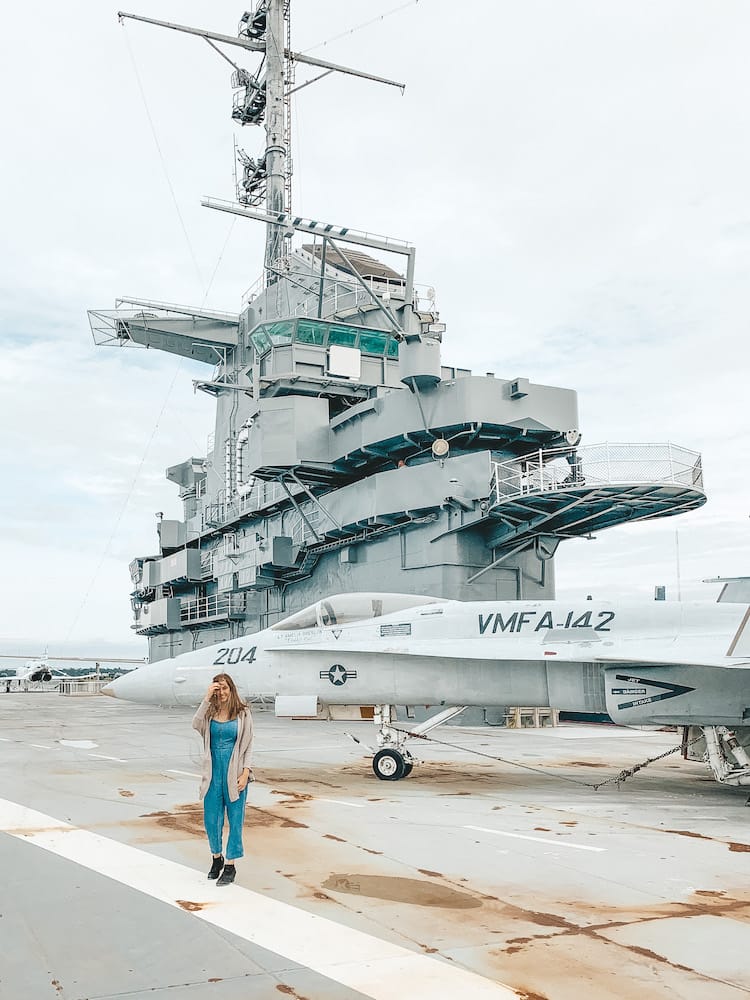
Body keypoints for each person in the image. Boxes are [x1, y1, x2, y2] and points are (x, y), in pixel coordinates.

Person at [192, 673, 254, 886]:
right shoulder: (209, 713)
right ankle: (216, 858)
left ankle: (230, 865)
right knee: (212, 819)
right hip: (213, 774)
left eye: (225, 688)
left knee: (235, 821)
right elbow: (195, 724)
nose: (222, 692)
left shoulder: (243, 712)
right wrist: (206, 698)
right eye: (218, 689)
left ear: (232, 688)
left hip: (235, 773)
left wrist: (245, 773)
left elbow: (249, 745)